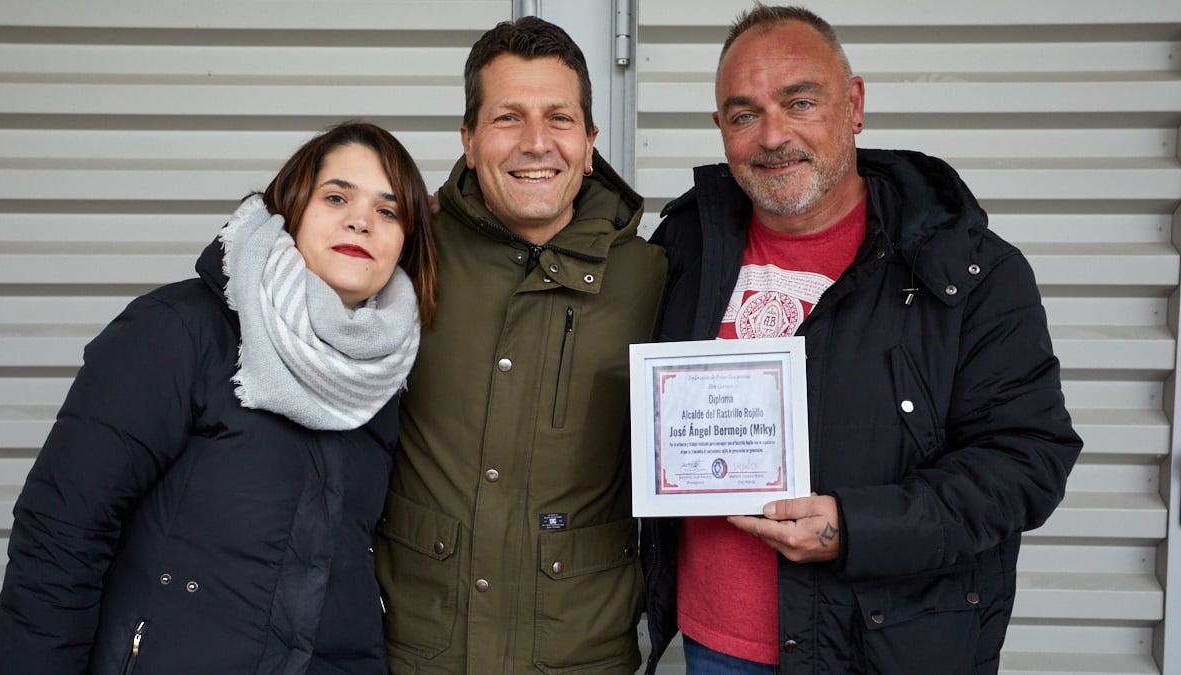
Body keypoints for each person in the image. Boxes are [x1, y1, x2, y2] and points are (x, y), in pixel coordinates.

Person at [641, 6, 1083, 674]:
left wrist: (853, 528)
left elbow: (1028, 462)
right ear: (721, 129)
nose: (773, 135)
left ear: (853, 104)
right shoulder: (685, 249)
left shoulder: (969, 270)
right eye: (744, 114)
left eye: (800, 101)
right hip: (716, 648)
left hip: (886, 648)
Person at [0, 121, 437, 674]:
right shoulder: (179, 332)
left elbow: (341, 589)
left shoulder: (382, 381)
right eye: (336, 196)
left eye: (388, 211)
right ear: (291, 208)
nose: (360, 220)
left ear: (405, 243)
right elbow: (60, 536)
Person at [372, 16, 667, 675]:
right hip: (417, 653)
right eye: (508, 118)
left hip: (580, 655)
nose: (537, 143)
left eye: (559, 119)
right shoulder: (402, 252)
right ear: (469, 140)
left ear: (590, 143)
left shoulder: (653, 277)